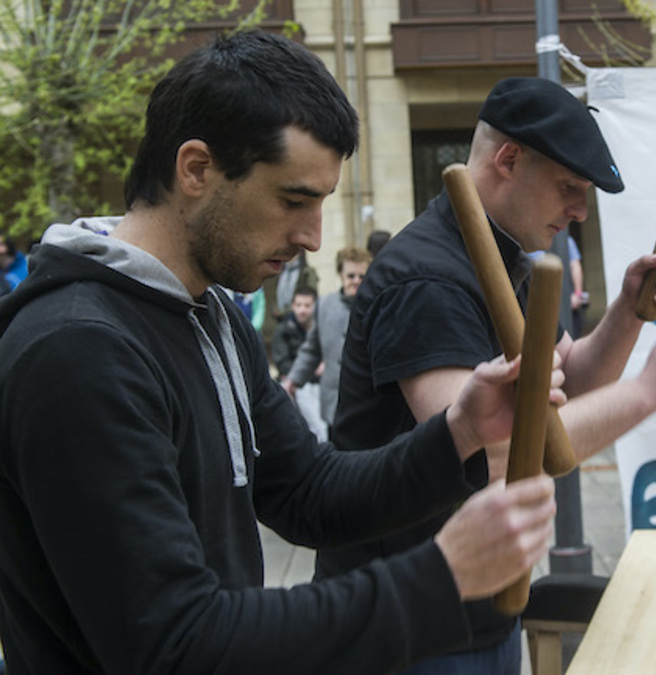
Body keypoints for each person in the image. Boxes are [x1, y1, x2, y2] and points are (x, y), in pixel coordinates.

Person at [0, 32, 560, 674]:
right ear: (196, 170)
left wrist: (458, 433)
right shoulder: (77, 351)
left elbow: (309, 492)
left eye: (321, 203)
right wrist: (440, 577)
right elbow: (175, 643)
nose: (313, 237)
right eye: (293, 200)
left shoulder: (208, 312)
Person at [323, 76, 656, 673]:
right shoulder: (427, 278)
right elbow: (489, 454)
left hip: (478, 609)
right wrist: (650, 389)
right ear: (508, 160)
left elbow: (569, 380)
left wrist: (627, 312)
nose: (580, 211)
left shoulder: (504, 258)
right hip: (408, 626)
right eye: (569, 187)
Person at [282, 246, 370, 435]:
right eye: (351, 276)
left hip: (368, 404)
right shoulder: (324, 305)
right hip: (334, 406)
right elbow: (312, 349)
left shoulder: (376, 305)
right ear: (340, 274)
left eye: (361, 276)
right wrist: (293, 380)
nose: (356, 281)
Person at [271, 285, 329, 440]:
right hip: (299, 385)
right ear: (292, 306)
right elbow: (283, 363)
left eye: (307, 305)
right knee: (319, 428)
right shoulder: (283, 329)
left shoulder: (323, 327)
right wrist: (309, 371)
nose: (302, 310)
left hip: (324, 383)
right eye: (298, 305)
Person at [274, 251, 320, 320]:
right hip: (278, 317)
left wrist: (286, 311)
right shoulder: (280, 272)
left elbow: (312, 295)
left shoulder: (307, 272)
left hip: (299, 316)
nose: (290, 258)